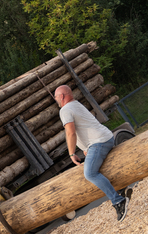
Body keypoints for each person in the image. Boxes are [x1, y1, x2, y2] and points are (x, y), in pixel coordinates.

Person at [54, 85, 131, 222]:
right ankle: (121, 188)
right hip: (105, 137)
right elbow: (85, 125)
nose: (56, 100)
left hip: (99, 142)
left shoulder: (65, 110)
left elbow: (71, 133)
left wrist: (72, 154)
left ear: (62, 96)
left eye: (56, 97)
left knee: (90, 173)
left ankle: (118, 201)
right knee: (100, 169)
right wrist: (85, 148)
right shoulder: (76, 104)